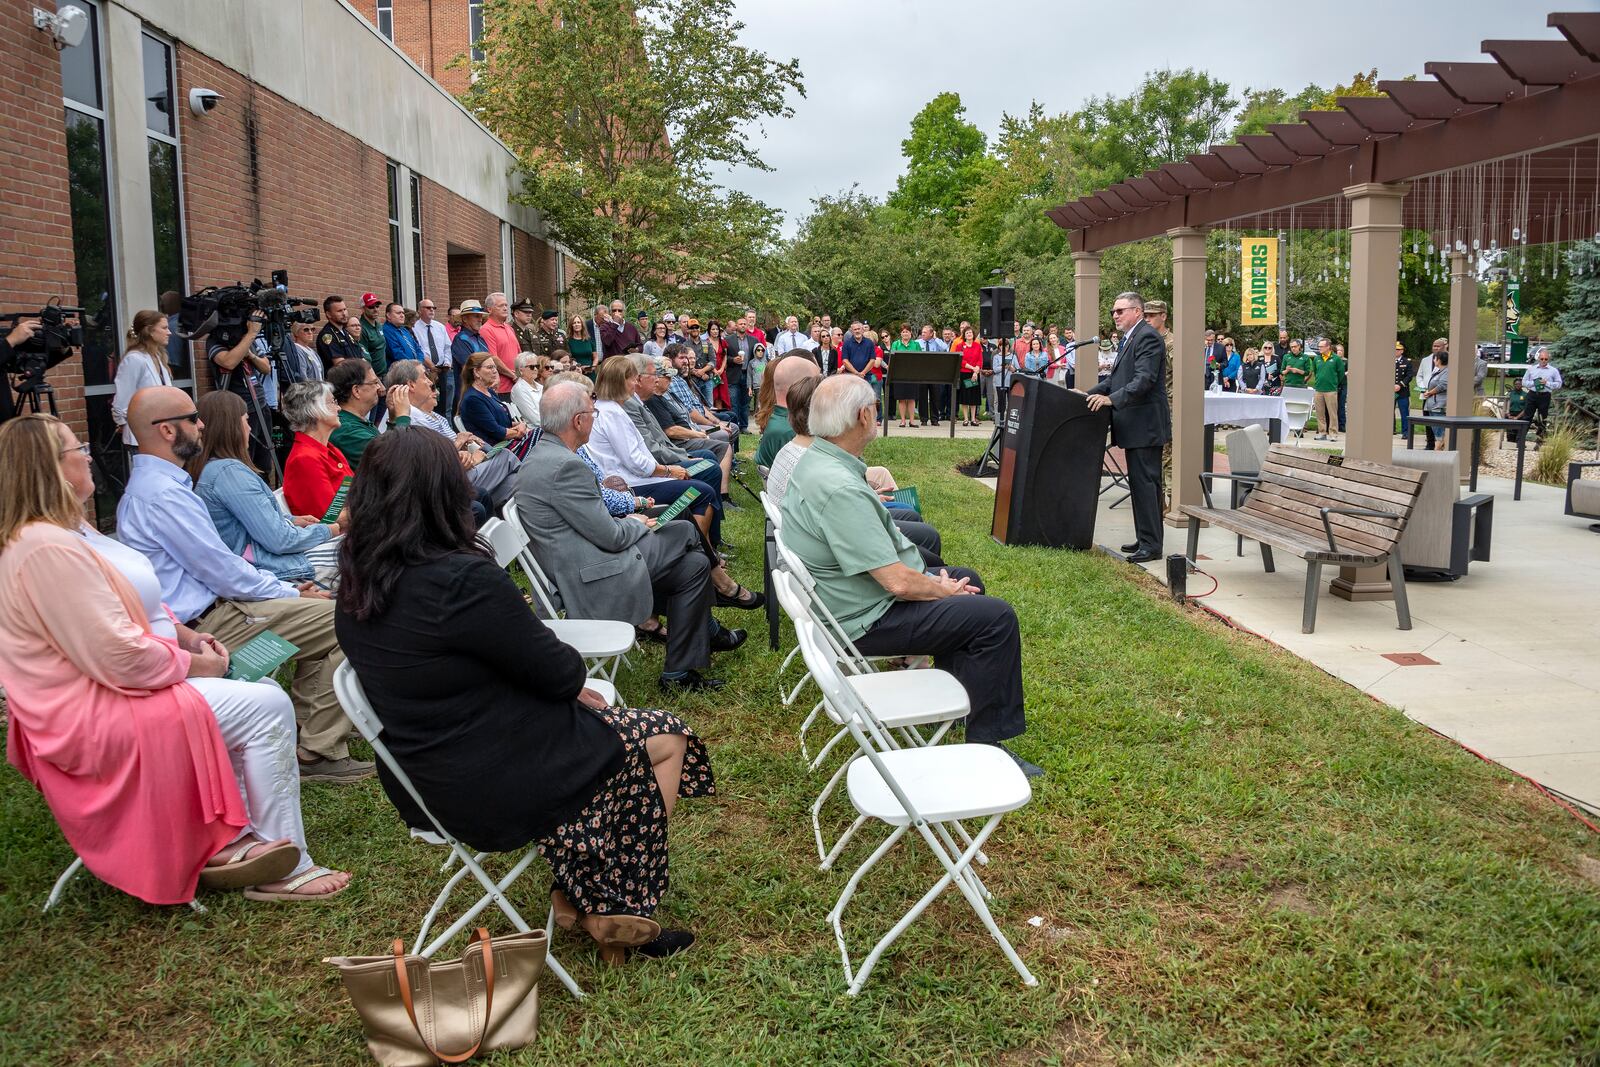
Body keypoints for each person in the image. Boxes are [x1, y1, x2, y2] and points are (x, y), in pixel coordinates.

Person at [335, 428, 707, 960]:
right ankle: (618, 902)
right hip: (497, 775)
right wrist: (568, 689)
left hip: (425, 774)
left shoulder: (358, 582)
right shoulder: (459, 578)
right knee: (665, 738)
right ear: (444, 492)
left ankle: (576, 892)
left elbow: (474, 666)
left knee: (610, 737)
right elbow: (555, 668)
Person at [0, 414, 351, 904]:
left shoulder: (70, 532)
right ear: (50, 469)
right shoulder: (43, 548)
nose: (86, 453)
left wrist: (186, 639)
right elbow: (117, 653)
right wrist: (194, 664)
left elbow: (136, 609)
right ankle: (286, 866)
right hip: (94, 709)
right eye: (74, 447)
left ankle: (249, 840)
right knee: (265, 707)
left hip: (130, 680)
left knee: (264, 692)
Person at [780, 377, 1035, 775]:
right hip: (863, 618)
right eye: (875, 409)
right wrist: (940, 590)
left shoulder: (818, 459)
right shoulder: (837, 485)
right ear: (863, 416)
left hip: (847, 600)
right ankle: (986, 745)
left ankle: (951, 701)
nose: (877, 415)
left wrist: (943, 586)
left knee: (967, 580)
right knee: (996, 619)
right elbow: (896, 583)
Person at [116, 387, 370, 783]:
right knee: (350, 619)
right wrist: (287, 589)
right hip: (209, 626)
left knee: (332, 613)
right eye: (191, 417)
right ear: (167, 430)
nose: (201, 425)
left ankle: (314, 733)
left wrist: (281, 586)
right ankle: (317, 749)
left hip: (220, 609)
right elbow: (222, 569)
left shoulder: (165, 487)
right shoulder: (163, 495)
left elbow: (223, 564)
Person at [517, 383, 760, 694]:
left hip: (580, 561)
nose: (595, 417)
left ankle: (679, 672)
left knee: (694, 564)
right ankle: (720, 600)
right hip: (589, 576)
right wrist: (637, 522)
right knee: (685, 531)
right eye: (592, 413)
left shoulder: (545, 455)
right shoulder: (565, 466)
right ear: (578, 421)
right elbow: (612, 537)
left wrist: (633, 521)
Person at [766, 374, 944, 566]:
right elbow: (843, 516)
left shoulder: (799, 451)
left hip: (820, 547)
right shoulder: (812, 462)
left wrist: (869, 497)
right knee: (929, 539)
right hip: (836, 557)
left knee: (912, 517)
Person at [191, 390, 341, 585]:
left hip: (270, 565)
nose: (250, 428)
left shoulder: (216, 470)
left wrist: (291, 520)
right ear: (231, 427)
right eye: (246, 420)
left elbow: (249, 521)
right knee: (366, 551)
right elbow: (280, 540)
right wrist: (331, 529)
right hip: (276, 571)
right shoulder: (228, 474)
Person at [586, 356, 724, 547]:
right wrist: (670, 471)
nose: (636, 383)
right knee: (702, 492)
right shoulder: (613, 413)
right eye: (633, 379)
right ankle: (702, 551)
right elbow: (636, 462)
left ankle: (705, 551)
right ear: (620, 381)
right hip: (632, 486)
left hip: (636, 478)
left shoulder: (609, 408)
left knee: (703, 480)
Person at [1082, 292, 1169, 564]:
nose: (1115, 316)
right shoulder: (1130, 338)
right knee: (1142, 486)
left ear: (1137, 311)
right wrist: (1085, 394)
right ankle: (1146, 538)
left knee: (1146, 485)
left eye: (1120, 311)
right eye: (1113, 312)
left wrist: (1111, 400)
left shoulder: (1147, 337)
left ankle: (1152, 545)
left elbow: (1143, 380)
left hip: (1145, 426)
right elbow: (1116, 380)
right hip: (1135, 427)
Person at [389, 357, 520, 512]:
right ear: (411, 385)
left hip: (465, 469)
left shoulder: (434, 416)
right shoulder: (411, 419)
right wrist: (462, 447)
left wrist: (467, 444)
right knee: (506, 456)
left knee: (513, 483)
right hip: (451, 480)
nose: (432, 383)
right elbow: (433, 462)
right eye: (425, 376)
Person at [280, 381, 355, 528]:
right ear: (315, 411)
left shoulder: (329, 450)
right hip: (339, 542)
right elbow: (332, 519)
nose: (339, 408)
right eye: (332, 402)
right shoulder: (305, 459)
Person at [206, 314, 275, 471]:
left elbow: (266, 368)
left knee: (264, 461)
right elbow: (228, 362)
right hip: (240, 409)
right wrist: (251, 334)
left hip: (260, 403)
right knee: (245, 459)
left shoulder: (247, 340)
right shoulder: (215, 340)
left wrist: (250, 355)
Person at [328, 357, 409, 471]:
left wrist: (393, 418)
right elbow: (392, 461)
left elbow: (385, 446)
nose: (380, 388)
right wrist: (403, 416)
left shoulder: (356, 420)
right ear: (356, 391)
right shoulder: (346, 431)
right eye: (375, 382)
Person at [112, 310, 176, 446]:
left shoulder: (158, 357)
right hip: (142, 438)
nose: (169, 332)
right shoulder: (134, 359)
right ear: (150, 331)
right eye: (164, 328)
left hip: (161, 434)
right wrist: (127, 427)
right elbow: (121, 403)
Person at [458, 351, 532, 458]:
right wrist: (520, 432)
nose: (494, 371)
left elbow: (503, 422)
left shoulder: (490, 392)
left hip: (509, 443)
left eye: (495, 367)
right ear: (476, 372)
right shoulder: (473, 399)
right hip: (498, 450)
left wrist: (521, 425)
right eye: (489, 367)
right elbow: (498, 432)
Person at [667, 344, 738, 443]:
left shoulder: (680, 380)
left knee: (731, 426)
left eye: (688, 358)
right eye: (682, 358)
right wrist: (714, 426)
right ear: (670, 359)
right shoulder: (671, 382)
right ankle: (724, 454)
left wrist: (718, 422)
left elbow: (700, 406)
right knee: (723, 432)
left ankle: (731, 456)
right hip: (693, 427)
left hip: (701, 422)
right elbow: (690, 413)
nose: (686, 361)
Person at [413, 297, 454, 416]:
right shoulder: (415, 328)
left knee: (446, 405)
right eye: (428, 308)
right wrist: (431, 367)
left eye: (433, 308)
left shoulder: (440, 327)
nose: (432, 310)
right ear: (420, 310)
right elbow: (419, 349)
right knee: (428, 403)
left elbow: (447, 347)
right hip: (426, 371)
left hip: (443, 370)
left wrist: (447, 362)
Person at [478, 292, 521, 396]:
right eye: (501, 305)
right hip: (500, 387)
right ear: (489, 309)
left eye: (506, 305)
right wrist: (513, 376)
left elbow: (519, 353)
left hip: (517, 385)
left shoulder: (509, 328)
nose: (505, 308)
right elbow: (493, 358)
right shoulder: (486, 329)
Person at [450, 299, 490, 406]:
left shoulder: (480, 339)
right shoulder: (461, 340)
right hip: (469, 395)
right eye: (476, 316)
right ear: (464, 319)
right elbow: (470, 368)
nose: (480, 319)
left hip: (484, 391)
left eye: (481, 316)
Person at [722, 316, 757, 431]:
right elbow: (723, 358)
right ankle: (734, 425)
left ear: (747, 326)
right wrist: (733, 360)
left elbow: (758, 359)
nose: (742, 325)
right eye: (740, 324)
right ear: (736, 326)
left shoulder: (753, 340)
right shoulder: (728, 340)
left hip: (748, 375)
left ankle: (744, 426)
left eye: (744, 324)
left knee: (745, 402)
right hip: (733, 374)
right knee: (734, 401)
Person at [315, 295, 363, 373]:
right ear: (328, 314)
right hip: (342, 381)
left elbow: (360, 357)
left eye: (345, 309)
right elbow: (340, 364)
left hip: (357, 378)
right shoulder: (327, 335)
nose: (344, 313)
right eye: (339, 311)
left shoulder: (345, 332)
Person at [1520, 346, 1562, 435]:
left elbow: (1558, 384)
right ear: (1538, 358)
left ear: (1548, 359)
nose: (1543, 361)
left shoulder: (1553, 371)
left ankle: (1539, 440)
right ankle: (1521, 440)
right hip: (1532, 394)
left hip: (1545, 396)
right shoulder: (1531, 369)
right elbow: (1524, 382)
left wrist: (1547, 383)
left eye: (1546, 359)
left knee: (1543, 418)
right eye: (1542, 359)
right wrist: (1534, 383)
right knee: (1527, 417)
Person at [1311, 338, 1345, 439]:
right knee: (1320, 413)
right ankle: (1322, 432)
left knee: (1332, 413)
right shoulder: (1317, 359)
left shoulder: (1336, 359)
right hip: (1318, 389)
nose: (1319, 348)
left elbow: (1341, 374)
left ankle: (1333, 433)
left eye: (1321, 346)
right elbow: (1316, 372)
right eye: (1319, 346)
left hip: (1331, 390)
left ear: (1328, 347)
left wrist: (1334, 383)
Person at [890, 324, 921, 427]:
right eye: (903, 332)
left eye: (907, 331)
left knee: (912, 398)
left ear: (910, 333)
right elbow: (893, 357)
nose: (905, 333)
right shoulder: (896, 344)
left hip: (912, 374)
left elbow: (920, 358)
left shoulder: (916, 344)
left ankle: (912, 421)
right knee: (902, 398)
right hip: (899, 374)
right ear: (901, 334)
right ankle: (902, 421)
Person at [510, 353, 551, 427]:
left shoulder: (540, 387)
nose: (535, 369)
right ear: (521, 369)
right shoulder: (519, 389)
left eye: (537, 366)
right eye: (532, 367)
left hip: (549, 425)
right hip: (536, 430)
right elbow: (536, 419)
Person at [382, 302, 424, 371]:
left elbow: (418, 348)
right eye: (398, 313)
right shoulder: (386, 331)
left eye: (403, 313)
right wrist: (414, 365)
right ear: (388, 315)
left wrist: (419, 362)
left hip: (414, 369)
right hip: (400, 372)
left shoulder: (404, 330)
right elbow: (397, 353)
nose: (402, 315)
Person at [355, 294, 389, 377]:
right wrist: (374, 380)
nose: (375, 309)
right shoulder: (361, 329)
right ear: (363, 309)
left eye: (377, 306)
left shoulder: (378, 325)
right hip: (373, 377)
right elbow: (365, 359)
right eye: (371, 307)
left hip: (384, 374)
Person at [1421, 351, 1450, 450]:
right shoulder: (1439, 371)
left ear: (1439, 360)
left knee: (1439, 430)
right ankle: (1438, 448)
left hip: (1439, 405)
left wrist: (1429, 393)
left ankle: (1438, 450)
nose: (1433, 360)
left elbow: (1442, 385)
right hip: (1432, 404)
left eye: (1435, 358)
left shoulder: (1447, 371)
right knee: (1435, 428)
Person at [955, 325, 984, 426]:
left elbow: (980, 360)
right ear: (964, 335)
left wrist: (976, 372)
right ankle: (966, 419)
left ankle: (973, 419)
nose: (969, 334)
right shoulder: (960, 346)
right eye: (967, 333)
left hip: (974, 375)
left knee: (973, 397)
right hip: (965, 374)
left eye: (970, 333)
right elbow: (961, 361)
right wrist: (972, 368)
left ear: (973, 334)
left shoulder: (977, 346)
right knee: (965, 396)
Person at [1394, 341, 1415, 437]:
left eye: (1397, 349)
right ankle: (1391, 429)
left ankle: (1405, 432)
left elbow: (1409, 375)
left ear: (1402, 351)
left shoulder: (1407, 362)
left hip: (1403, 391)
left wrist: (1400, 385)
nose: (1395, 351)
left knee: (1404, 412)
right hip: (1390, 390)